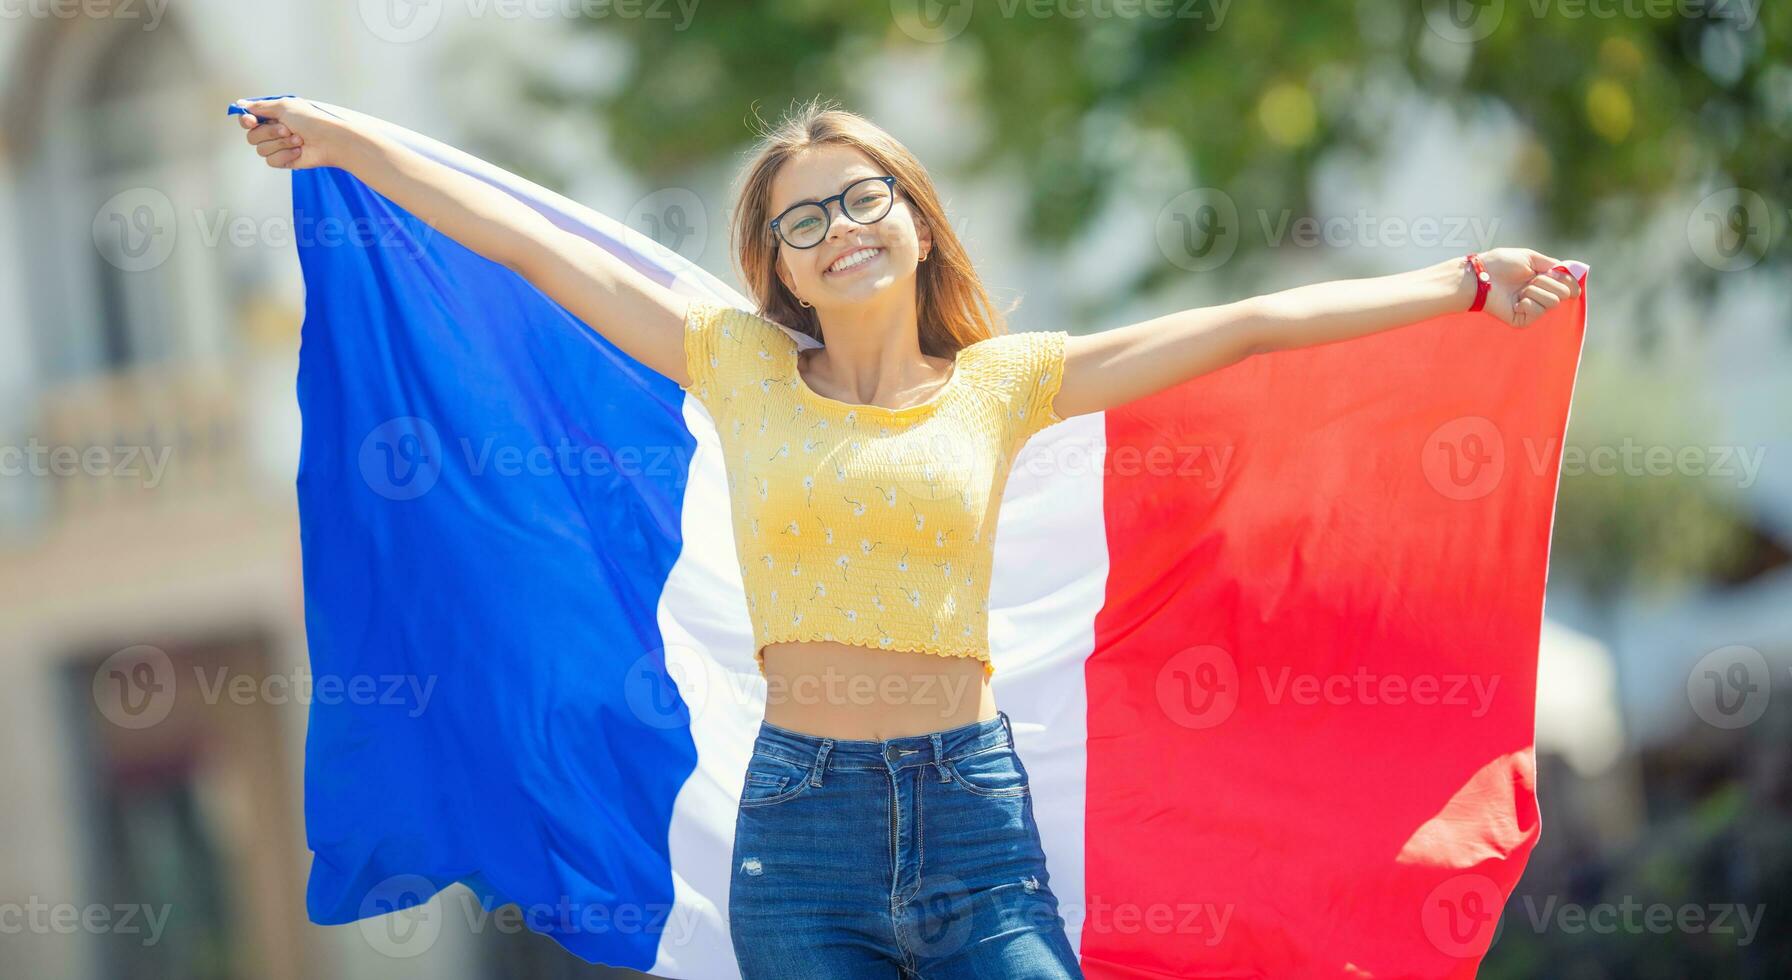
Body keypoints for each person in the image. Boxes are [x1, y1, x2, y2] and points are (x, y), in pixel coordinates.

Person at [234, 94, 1580, 979]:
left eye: (860, 197)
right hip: (799, 835)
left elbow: (1237, 330)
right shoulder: (735, 367)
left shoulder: (1008, 381)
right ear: (781, 265)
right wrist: (350, 143)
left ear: (914, 220)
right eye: (802, 220)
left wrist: (1460, 282)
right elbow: (526, 245)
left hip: (974, 826)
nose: (838, 228)